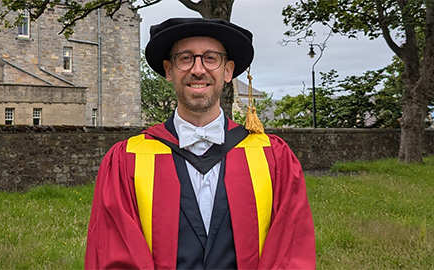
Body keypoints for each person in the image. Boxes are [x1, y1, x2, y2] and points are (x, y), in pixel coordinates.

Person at [85, 18, 316, 269]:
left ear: (228, 71)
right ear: (169, 70)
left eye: (211, 58)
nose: (197, 69)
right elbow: (115, 254)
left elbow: (290, 252)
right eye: (185, 58)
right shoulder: (127, 160)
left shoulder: (273, 158)